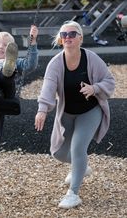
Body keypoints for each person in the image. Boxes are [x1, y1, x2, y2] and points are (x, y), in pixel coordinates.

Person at [34, 20, 115, 209]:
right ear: (61, 40)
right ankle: (81, 167)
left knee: (78, 148)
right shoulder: (55, 63)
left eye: (72, 34)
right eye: (64, 35)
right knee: (59, 153)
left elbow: (109, 81)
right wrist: (42, 110)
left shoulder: (92, 59)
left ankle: (73, 193)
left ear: (80, 38)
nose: (68, 37)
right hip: (67, 113)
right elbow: (47, 88)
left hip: (90, 111)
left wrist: (94, 88)